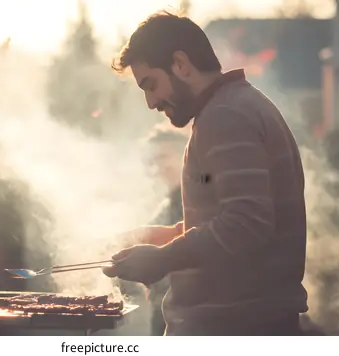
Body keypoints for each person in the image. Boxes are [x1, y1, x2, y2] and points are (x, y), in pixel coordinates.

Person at [102, 11, 308, 336]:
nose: (151, 102)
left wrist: (161, 260)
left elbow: (246, 223)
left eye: (151, 84)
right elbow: (232, 222)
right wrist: (163, 236)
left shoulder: (226, 116)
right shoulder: (234, 107)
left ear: (181, 64)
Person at [142, 125, 187, 336]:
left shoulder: (194, 201)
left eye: (163, 157)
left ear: (184, 157)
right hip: (164, 310)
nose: (157, 166)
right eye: (153, 160)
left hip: (183, 315)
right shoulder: (168, 202)